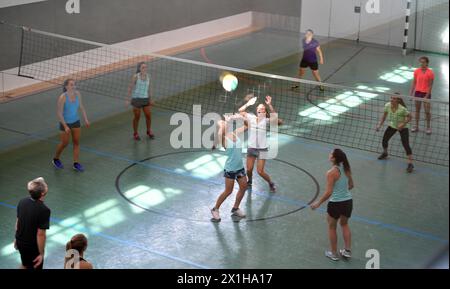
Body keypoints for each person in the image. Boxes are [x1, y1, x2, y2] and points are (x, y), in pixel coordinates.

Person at [311, 149, 354, 261]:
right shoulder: (346, 169)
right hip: (348, 202)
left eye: (331, 153)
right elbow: (351, 185)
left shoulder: (331, 173)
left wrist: (318, 203)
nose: (329, 154)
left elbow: (329, 192)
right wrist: (343, 191)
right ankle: (347, 251)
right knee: (344, 224)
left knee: (332, 227)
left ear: (334, 158)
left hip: (335, 203)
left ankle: (334, 254)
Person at [210, 115, 248, 222]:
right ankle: (215, 209)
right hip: (230, 169)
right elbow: (220, 133)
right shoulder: (224, 140)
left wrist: (240, 117)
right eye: (224, 124)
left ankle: (235, 208)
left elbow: (247, 125)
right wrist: (224, 123)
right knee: (228, 191)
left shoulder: (235, 133)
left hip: (239, 168)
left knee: (243, 186)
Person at [239, 95, 279, 193]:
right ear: (256, 110)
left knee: (260, 171)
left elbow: (275, 119)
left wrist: (269, 105)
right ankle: (250, 182)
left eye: (263, 109)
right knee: (249, 170)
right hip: (251, 147)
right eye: (259, 108)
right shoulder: (251, 117)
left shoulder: (266, 120)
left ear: (265, 112)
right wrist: (248, 103)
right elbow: (240, 111)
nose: (260, 110)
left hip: (262, 149)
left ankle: (270, 182)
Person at [52, 79, 90, 172]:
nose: (74, 86)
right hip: (65, 123)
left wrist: (85, 119)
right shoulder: (63, 97)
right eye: (71, 84)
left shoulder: (78, 94)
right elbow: (59, 113)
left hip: (76, 122)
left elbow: (81, 106)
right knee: (64, 143)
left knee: (76, 142)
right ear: (66, 87)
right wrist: (65, 126)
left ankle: (76, 163)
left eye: (74, 84)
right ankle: (56, 159)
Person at [14, 177, 51, 269]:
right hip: (32, 246)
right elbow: (40, 234)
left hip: (21, 241)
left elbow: (18, 222)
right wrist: (41, 253)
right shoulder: (44, 210)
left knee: (25, 264)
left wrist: (16, 238)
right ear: (43, 193)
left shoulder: (22, 201)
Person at [376, 93, 414, 173]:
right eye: (391, 98)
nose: (391, 99)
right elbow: (384, 116)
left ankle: (410, 164)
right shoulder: (387, 105)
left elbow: (410, 117)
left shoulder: (402, 109)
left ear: (398, 100)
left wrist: (403, 124)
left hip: (403, 127)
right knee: (384, 140)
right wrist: (379, 125)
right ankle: (385, 153)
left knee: (406, 144)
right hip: (392, 125)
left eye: (394, 98)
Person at [127, 62, 155, 140]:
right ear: (139, 68)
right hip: (136, 99)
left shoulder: (148, 76)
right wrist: (127, 99)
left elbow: (150, 88)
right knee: (137, 117)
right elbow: (130, 87)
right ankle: (135, 133)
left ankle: (148, 131)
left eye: (146, 67)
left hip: (145, 99)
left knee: (148, 115)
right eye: (143, 67)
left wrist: (151, 99)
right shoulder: (136, 76)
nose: (145, 69)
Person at [410, 56, 434, 135]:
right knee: (417, 110)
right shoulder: (416, 71)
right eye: (420, 62)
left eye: (423, 62)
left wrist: (427, 95)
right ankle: (416, 126)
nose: (421, 63)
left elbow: (430, 85)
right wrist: (411, 93)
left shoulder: (430, 72)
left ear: (427, 63)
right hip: (417, 93)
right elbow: (414, 82)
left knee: (427, 111)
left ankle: (428, 127)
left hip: (426, 93)